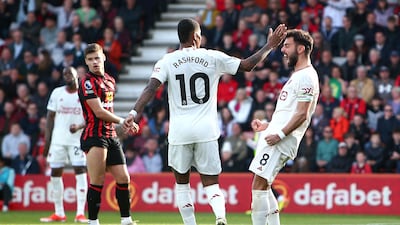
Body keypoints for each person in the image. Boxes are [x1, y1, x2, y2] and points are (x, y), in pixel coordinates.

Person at [123, 19, 287, 225]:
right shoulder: (212, 57)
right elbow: (247, 65)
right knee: (211, 183)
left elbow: (150, 88)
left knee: (182, 184)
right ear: (196, 37)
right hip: (206, 131)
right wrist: (270, 46)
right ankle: (220, 218)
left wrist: (133, 112)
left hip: (179, 132)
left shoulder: (166, 61)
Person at [249, 29, 319, 225]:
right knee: (265, 184)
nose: (283, 50)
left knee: (258, 185)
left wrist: (279, 134)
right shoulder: (299, 76)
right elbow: (290, 112)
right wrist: (268, 126)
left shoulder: (306, 76)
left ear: (301, 48)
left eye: (287, 46)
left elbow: (302, 114)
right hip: (276, 136)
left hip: (281, 141)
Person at [78, 43, 139, 225]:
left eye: (97, 58)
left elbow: (107, 109)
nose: (95, 62)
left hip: (111, 135)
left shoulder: (110, 80)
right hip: (94, 136)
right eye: (90, 59)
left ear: (103, 57)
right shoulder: (87, 82)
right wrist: (123, 121)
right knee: (97, 180)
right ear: (86, 62)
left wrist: (121, 125)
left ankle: (126, 220)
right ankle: (93, 222)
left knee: (123, 178)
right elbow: (98, 112)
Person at [40, 67, 88, 223]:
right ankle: (59, 213)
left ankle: (80, 213)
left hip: (76, 140)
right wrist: (47, 142)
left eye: (70, 73)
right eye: (65, 74)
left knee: (80, 171)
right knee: (55, 173)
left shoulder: (84, 94)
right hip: (58, 140)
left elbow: (91, 117)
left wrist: (79, 127)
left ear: (77, 75)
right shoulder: (57, 93)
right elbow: (49, 118)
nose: (67, 76)